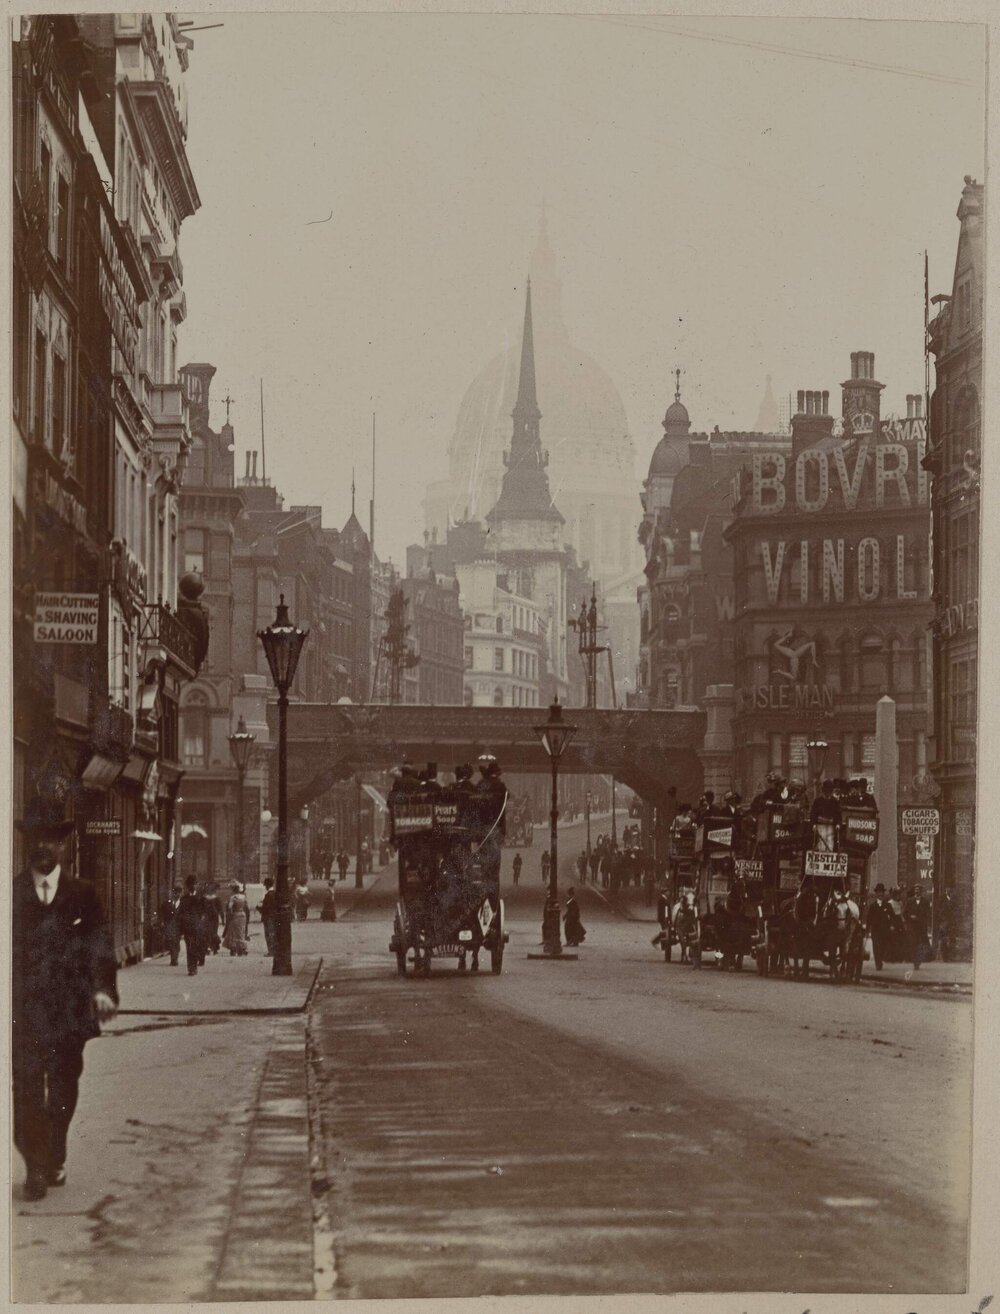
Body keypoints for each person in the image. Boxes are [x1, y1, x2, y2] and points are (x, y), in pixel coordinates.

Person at [13, 799, 119, 1200]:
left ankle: (53, 1154)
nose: (44, 847)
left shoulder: (83, 895)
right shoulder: (12, 893)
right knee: (24, 1088)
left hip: (67, 1013)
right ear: (27, 845)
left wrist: (103, 990)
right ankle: (36, 1166)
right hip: (22, 1013)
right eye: (36, 839)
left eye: (52, 839)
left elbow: (100, 945)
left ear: (64, 846)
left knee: (62, 1086)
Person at [178, 876, 207, 975]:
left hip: (198, 927)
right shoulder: (184, 899)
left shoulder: (201, 898)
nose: (193, 886)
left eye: (194, 884)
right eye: (191, 884)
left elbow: (205, 912)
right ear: (187, 886)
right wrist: (181, 928)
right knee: (189, 948)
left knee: (197, 947)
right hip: (188, 927)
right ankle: (191, 968)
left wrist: (202, 922)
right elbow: (180, 913)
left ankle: (195, 965)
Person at [866, 883, 893, 971]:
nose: (880, 894)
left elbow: (892, 917)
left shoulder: (887, 905)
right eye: (879, 892)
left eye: (882, 892)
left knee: (883, 947)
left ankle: (880, 960)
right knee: (876, 947)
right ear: (876, 894)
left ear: (883, 894)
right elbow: (869, 919)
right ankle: (878, 963)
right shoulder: (873, 906)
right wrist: (867, 930)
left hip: (885, 931)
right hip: (875, 930)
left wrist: (892, 925)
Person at [904, 885, 931, 969]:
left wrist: (926, 923)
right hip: (912, 927)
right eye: (915, 889)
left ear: (921, 891)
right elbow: (904, 913)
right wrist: (910, 917)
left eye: (918, 890)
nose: (917, 891)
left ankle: (918, 961)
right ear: (914, 891)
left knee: (920, 945)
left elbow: (928, 914)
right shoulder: (909, 901)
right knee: (913, 944)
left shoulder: (925, 901)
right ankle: (915, 962)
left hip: (922, 927)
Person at [810, 780, 842, 851]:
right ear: (823, 791)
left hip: (831, 826)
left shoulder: (835, 802)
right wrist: (813, 824)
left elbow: (838, 814)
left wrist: (838, 824)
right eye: (826, 791)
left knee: (830, 843)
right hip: (820, 826)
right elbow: (813, 813)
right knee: (821, 843)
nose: (827, 793)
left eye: (829, 791)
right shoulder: (817, 801)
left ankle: (829, 856)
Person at [158, 882, 183, 965]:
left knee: (176, 942)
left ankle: (174, 959)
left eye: (179, 892)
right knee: (171, 941)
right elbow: (161, 912)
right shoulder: (167, 903)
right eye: (176, 892)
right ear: (173, 893)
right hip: (169, 925)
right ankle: (173, 958)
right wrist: (161, 921)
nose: (177, 894)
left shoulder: (183, 904)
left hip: (179, 926)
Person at [224, 884, 250, 955]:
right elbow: (246, 906)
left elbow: (229, 907)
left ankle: (234, 949)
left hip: (236, 915)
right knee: (241, 932)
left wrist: (230, 912)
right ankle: (242, 948)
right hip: (243, 915)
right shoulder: (244, 897)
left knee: (233, 932)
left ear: (234, 890)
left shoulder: (233, 897)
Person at [259, 876, 277, 955]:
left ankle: (271, 951)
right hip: (274, 916)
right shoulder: (275, 893)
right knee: (273, 933)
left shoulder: (268, 895)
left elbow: (265, 908)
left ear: (267, 885)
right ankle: (274, 950)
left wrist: (258, 908)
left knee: (269, 934)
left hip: (268, 917)